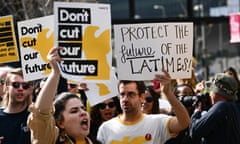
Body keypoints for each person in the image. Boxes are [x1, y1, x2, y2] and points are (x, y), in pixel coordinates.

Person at [97, 70, 191, 144]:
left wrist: (168, 93)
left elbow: (184, 123)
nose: (125, 99)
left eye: (131, 94)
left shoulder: (157, 122)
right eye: (122, 95)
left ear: (142, 98)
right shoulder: (105, 128)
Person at [27, 47, 93, 144]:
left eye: (83, 108)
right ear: (60, 123)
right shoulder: (50, 140)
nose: (83, 113)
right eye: (74, 111)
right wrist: (55, 72)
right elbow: (41, 114)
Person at [189, 73, 240, 144]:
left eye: (211, 90)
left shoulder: (221, 106)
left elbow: (194, 131)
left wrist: (196, 112)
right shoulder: (234, 107)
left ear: (217, 92)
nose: (210, 94)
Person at [0, 67, 33, 144]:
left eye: (25, 86)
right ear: (6, 88)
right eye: (16, 84)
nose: (20, 88)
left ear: (30, 89)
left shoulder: (34, 117)